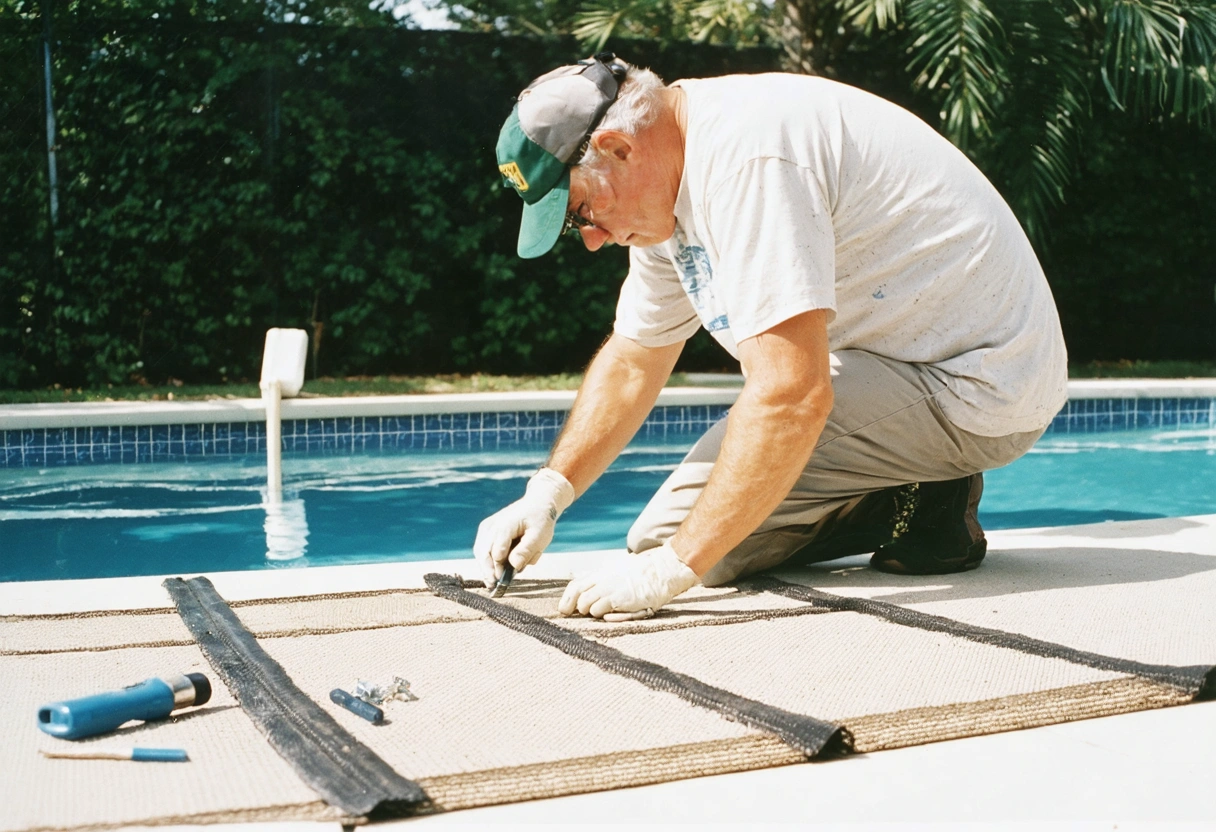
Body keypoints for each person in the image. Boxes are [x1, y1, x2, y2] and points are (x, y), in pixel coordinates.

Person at [476, 53, 1067, 621]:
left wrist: (675, 568)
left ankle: (924, 495)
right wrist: (546, 494)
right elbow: (635, 358)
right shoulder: (666, 189)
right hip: (896, 366)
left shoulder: (746, 161)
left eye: (580, 211)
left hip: (978, 384)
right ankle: (908, 485)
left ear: (617, 148)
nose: (591, 239)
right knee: (670, 536)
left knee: (684, 548)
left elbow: (792, 394)